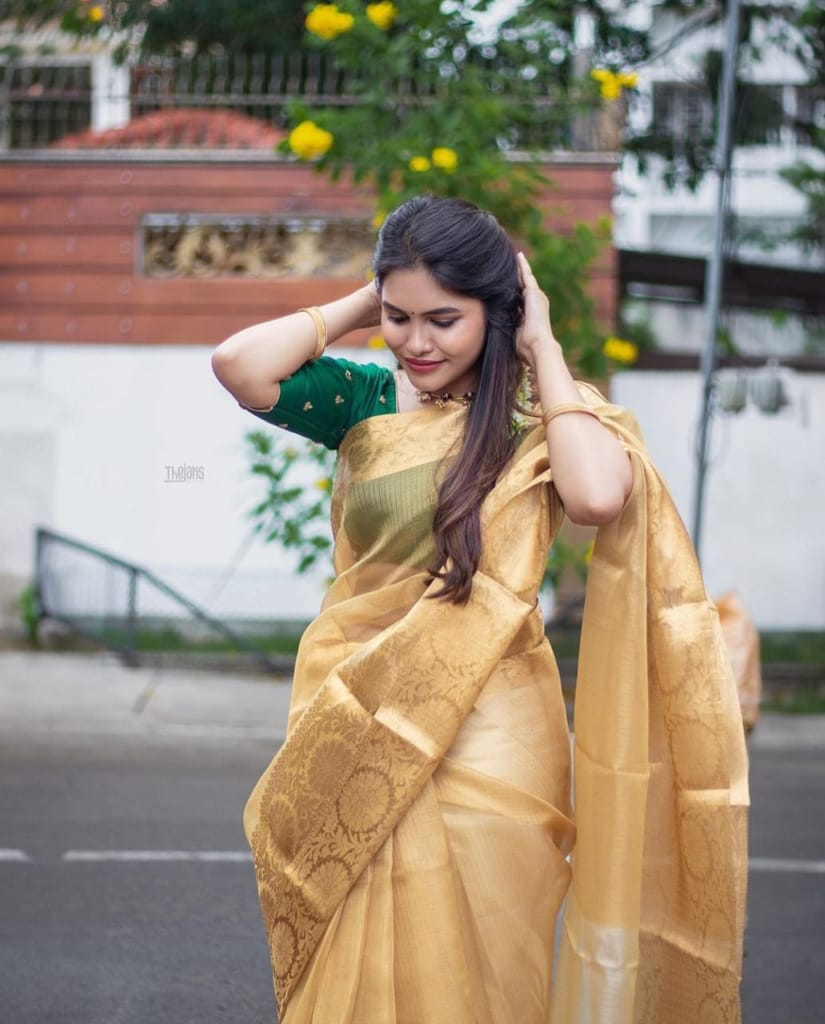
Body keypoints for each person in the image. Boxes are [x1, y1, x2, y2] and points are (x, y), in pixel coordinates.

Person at [212, 195, 749, 1023]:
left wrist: (540, 344)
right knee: (360, 941)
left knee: (484, 968)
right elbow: (240, 366)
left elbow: (599, 495)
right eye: (400, 317)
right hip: (360, 710)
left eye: (443, 320)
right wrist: (367, 302)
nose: (417, 342)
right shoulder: (369, 401)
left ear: (495, 314)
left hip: (494, 732)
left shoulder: (544, 415)